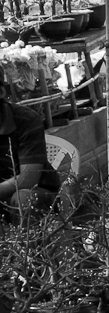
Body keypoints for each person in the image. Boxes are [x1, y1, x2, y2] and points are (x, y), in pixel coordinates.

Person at [0, 86, 60, 221]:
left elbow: (28, 179)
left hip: (36, 191)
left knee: (25, 199)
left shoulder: (26, 119)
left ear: (1, 92)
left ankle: (27, 242)